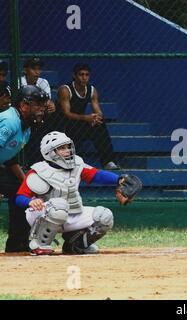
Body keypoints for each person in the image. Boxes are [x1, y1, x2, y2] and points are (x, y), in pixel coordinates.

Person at [15, 131, 142, 255]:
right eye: (61, 148)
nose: (67, 151)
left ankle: (76, 244)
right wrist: (30, 201)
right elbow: (19, 198)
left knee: (104, 216)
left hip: (71, 212)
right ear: (49, 152)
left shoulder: (76, 164)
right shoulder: (38, 171)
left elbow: (96, 175)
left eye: (67, 147)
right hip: (41, 213)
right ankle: (39, 244)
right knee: (59, 205)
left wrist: (118, 180)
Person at [0, 85, 48, 252]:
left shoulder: (26, 127)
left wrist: (26, 184)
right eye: (37, 105)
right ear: (23, 105)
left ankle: (17, 245)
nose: (41, 109)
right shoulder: (10, 121)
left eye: (43, 105)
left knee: (21, 193)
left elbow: (9, 158)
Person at [56, 63, 120, 170]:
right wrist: (86, 118)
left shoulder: (92, 90)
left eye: (87, 75)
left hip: (78, 122)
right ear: (74, 76)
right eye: (81, 74)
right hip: (62, 125)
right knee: (71, 124)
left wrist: (96, 118)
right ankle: (69, 161)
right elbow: (66, 114)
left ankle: (108, 161)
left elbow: (98, 110)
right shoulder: (65, 90)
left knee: (100, 125)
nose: (84, 78)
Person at [21, 57, 58, 166]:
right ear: (26, 70)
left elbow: (47, 102)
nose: (37, 72)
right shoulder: (19, 81)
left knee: (55, 116)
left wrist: (51, 105)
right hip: (24, 115)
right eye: (33, 69)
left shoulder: (43, 82)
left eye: (39, 69)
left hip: (39, 114)